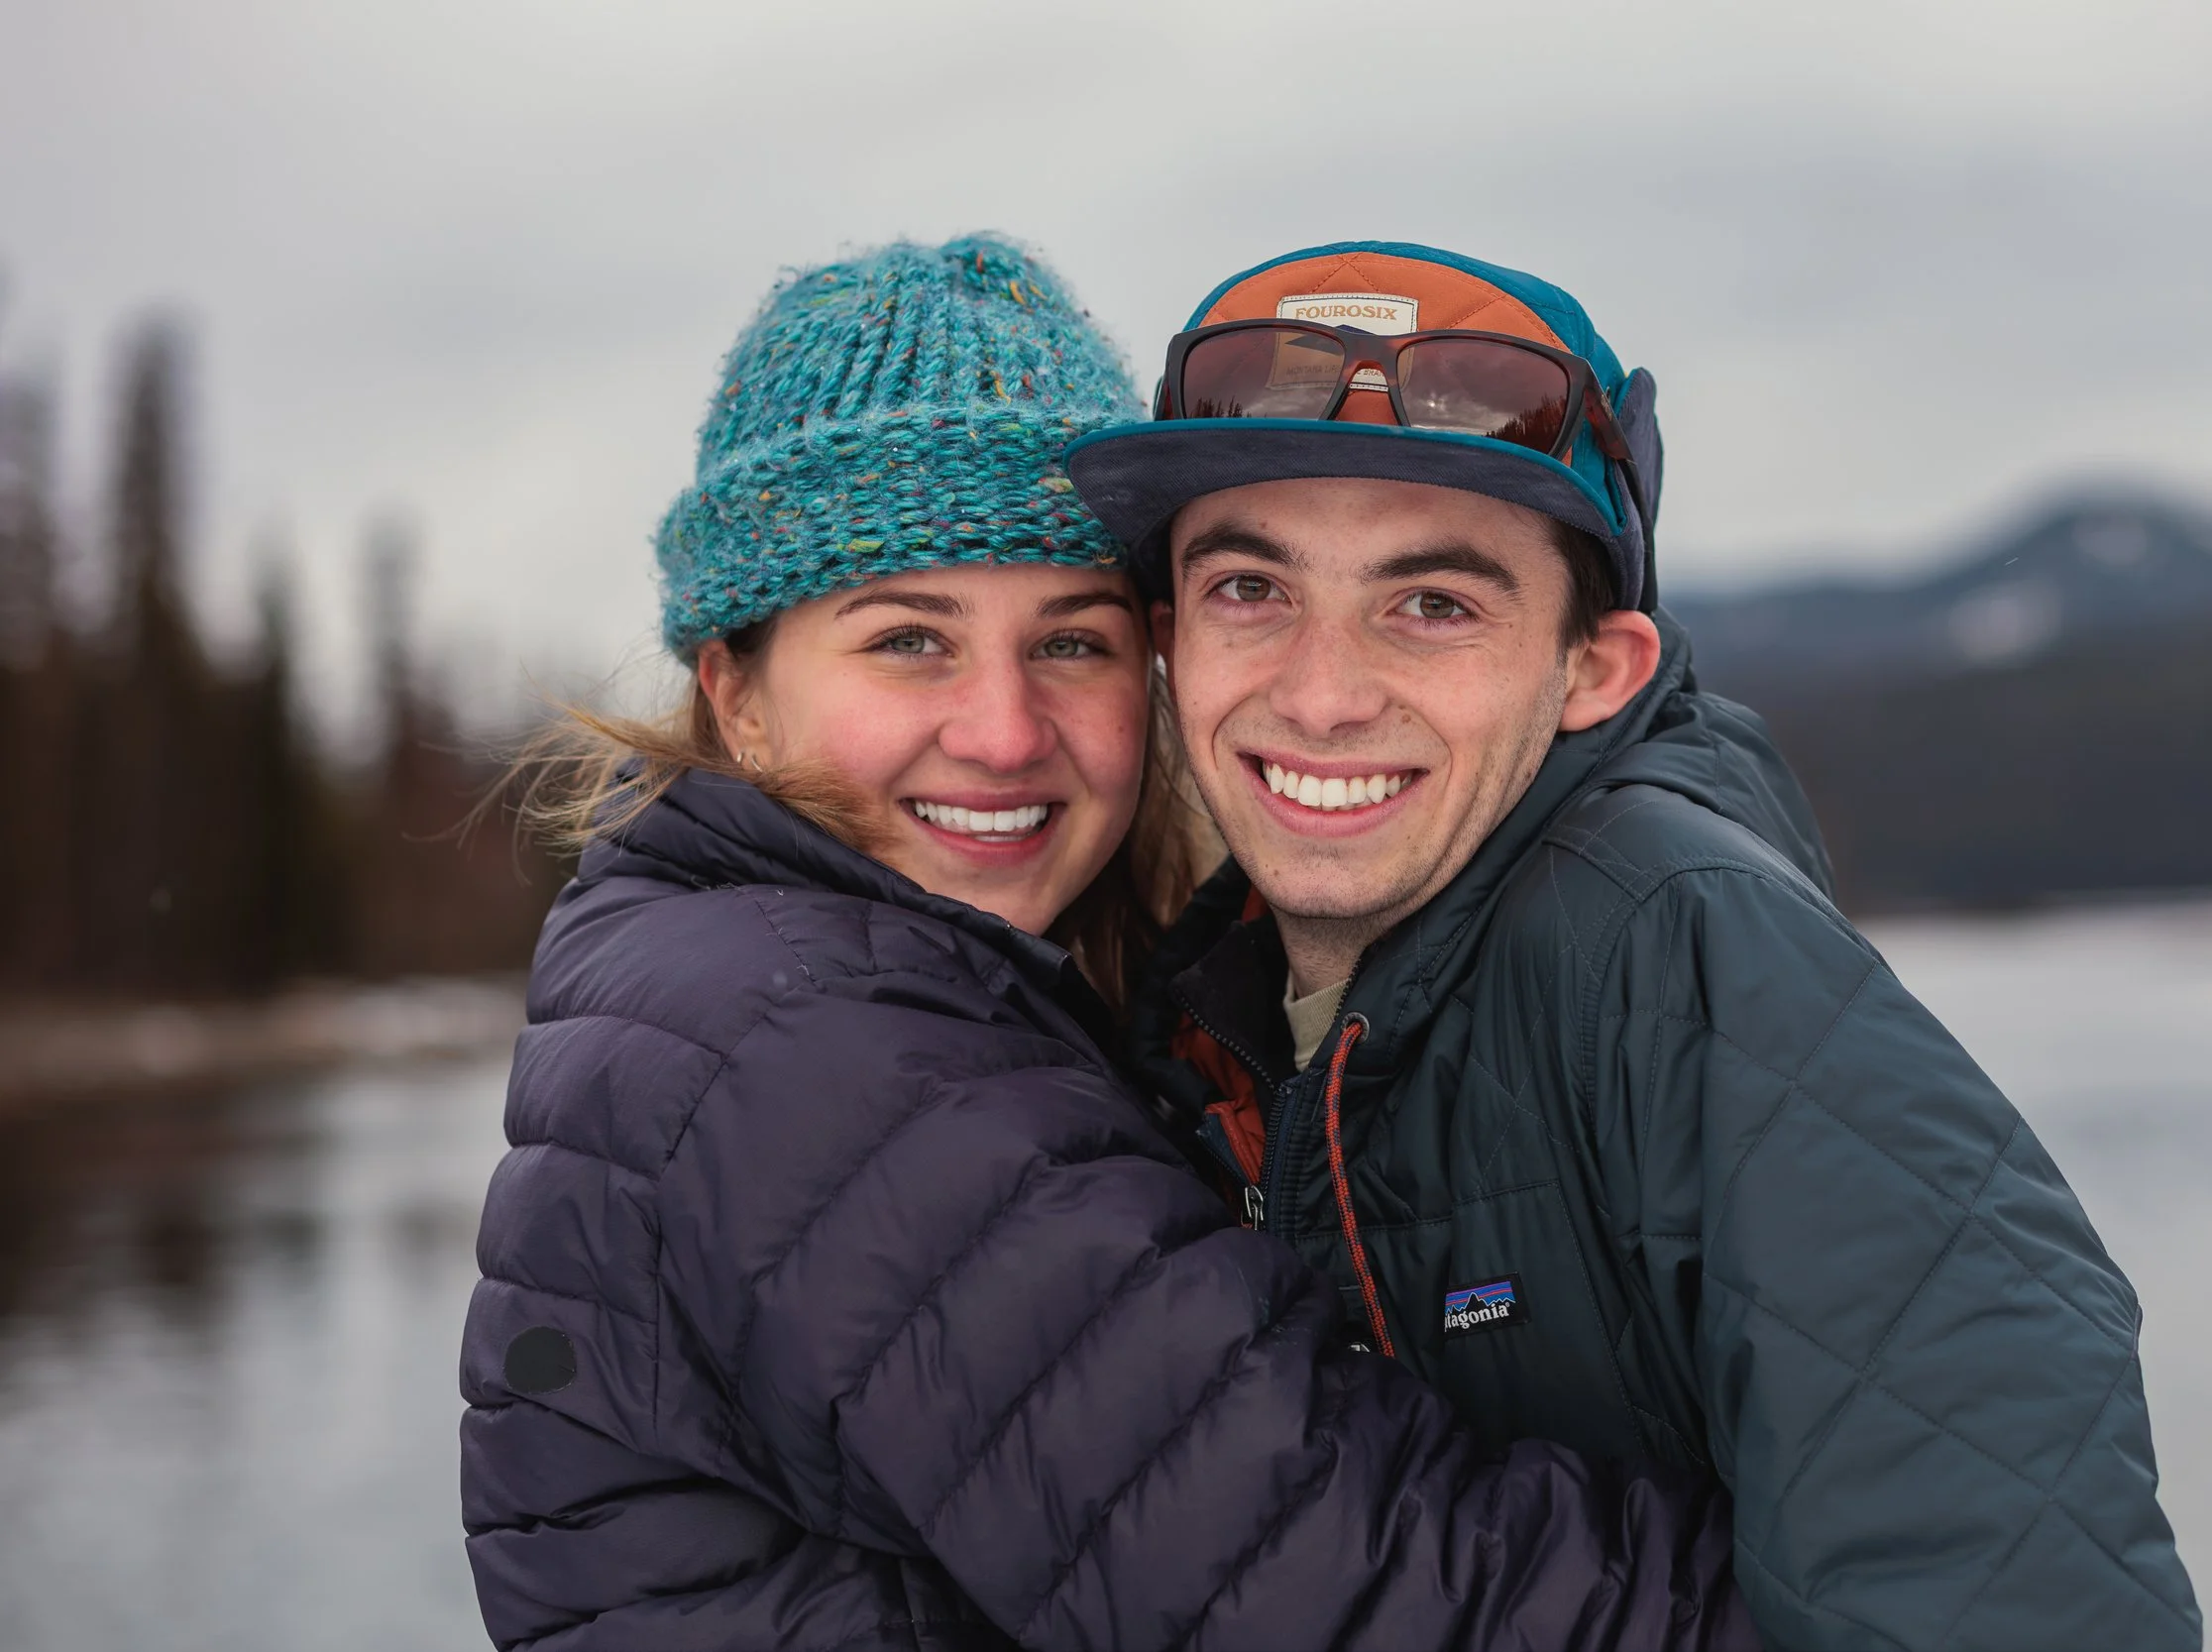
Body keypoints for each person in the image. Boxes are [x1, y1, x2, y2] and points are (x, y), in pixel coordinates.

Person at [458, 235, 1757, 1651]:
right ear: (739, 694)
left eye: (1071, 642)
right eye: (908, 641)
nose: (1004, 732)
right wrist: (1845, 1577)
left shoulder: (781, 981)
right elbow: (1348, 1586)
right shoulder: (817, 1050)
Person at [1068, 240, 2207, 1651]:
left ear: (1594, 670)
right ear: (1170, 639)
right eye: (1253, 588)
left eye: (1434, 604)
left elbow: (2003, 1571)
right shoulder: (1201, 1015)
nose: (1323, 693)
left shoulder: (1676, 951)